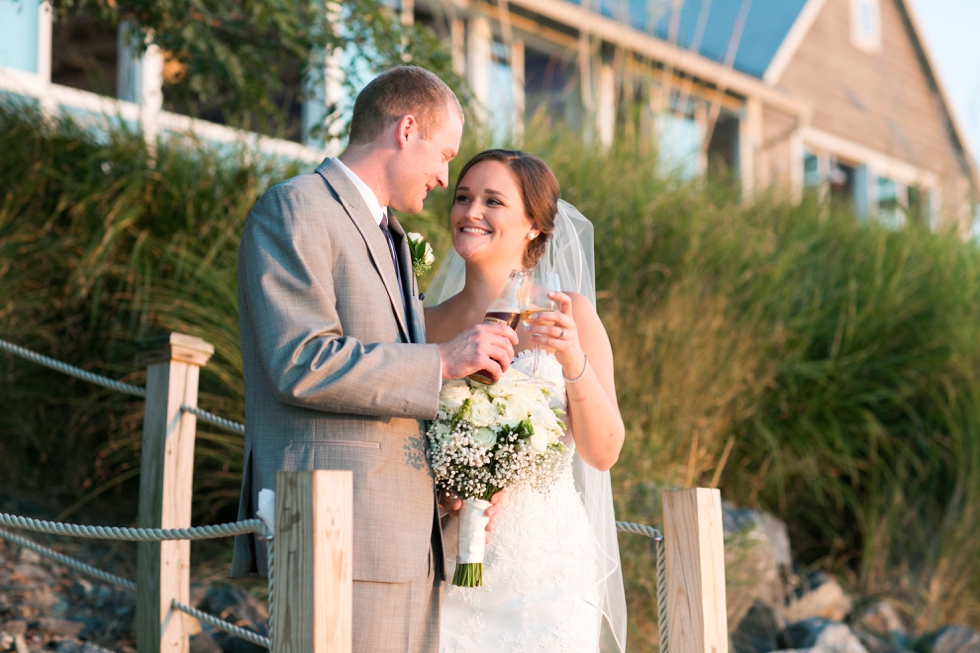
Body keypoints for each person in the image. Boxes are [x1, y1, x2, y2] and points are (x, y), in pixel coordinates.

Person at [230, 67, 516, 653]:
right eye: (444, 155)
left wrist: (451, 480)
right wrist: (441, 361)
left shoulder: (394, 238)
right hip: (333, 532)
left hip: (410, 538)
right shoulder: (295, 208)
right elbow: (301, 361)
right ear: (406, 129)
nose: (444, 176)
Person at [424, 150, 628, 652]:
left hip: (545, 572)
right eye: (463, 197)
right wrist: (444, 496)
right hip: (448, 568)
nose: (471, 212)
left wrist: (572, 358)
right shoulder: (423, 324)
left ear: (534, 225)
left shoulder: (568, 313)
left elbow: (603, 452)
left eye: (493, 201)